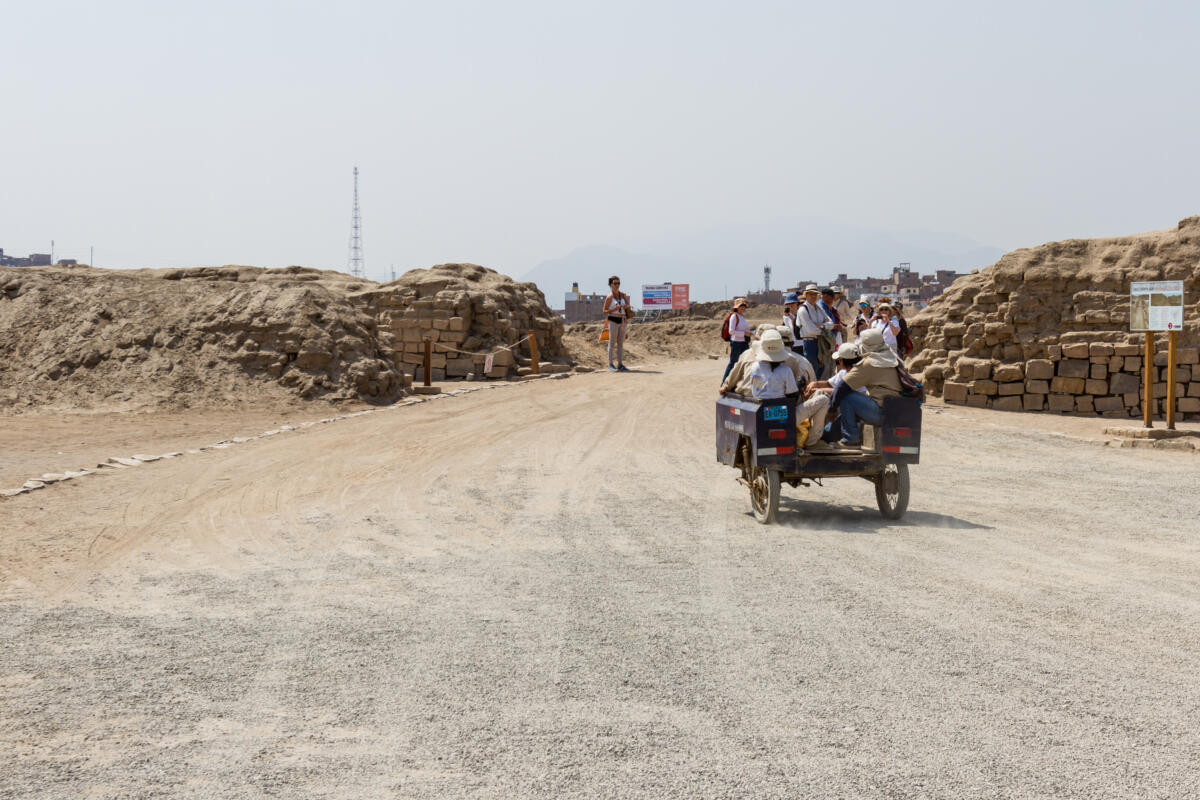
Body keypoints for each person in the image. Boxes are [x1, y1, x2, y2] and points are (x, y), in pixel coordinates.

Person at [829, 328, 902, 447]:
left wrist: (831, 409)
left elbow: (841, 388)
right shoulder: (894, 358)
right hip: (898, 410)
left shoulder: (869, 363)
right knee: (853, 407)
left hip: (881, 412)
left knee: (847, 398)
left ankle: (851, 439)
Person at [742, 329, 796, 400]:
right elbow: (791, 393)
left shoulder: (755, 367)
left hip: (759, 405)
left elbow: (756, 391)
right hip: (780, 407)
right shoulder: (786, 371)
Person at [795, 285, 832, 377]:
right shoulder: (803, 310)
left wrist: (822, 326)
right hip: (809, 342)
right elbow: (811, 330)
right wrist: (824, 328)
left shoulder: (819, 308)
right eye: (811, 294)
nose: (813, 296)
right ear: (806, 295)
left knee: (822, 367)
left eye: (815, 294)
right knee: (812, 368)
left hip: (821, 342)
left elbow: (831, 323)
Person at [602, 275, 632, 372]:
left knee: (620, 343)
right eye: (615, 283)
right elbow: (604, 311)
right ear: (610, 285)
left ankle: (620, 364)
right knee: (612, 343)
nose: (617, 285)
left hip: (622, 320)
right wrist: (613, 309)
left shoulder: (623, 295)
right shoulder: (609, 297)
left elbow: (628, 306)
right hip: (613, 320)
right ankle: (610, 364)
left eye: (618, 283)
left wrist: (626, 307)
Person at [722, 297, 751, 381]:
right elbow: (731, 331)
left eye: (744, 306)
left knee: (745, 362)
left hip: (744, 342)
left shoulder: (741, 317)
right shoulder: (734, 316)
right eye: (741, 306)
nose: (743, 307)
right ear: (736, 307)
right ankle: (724, 383)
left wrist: (749, 333)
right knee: (733, 363)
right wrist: (744, 334)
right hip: (737, 343)